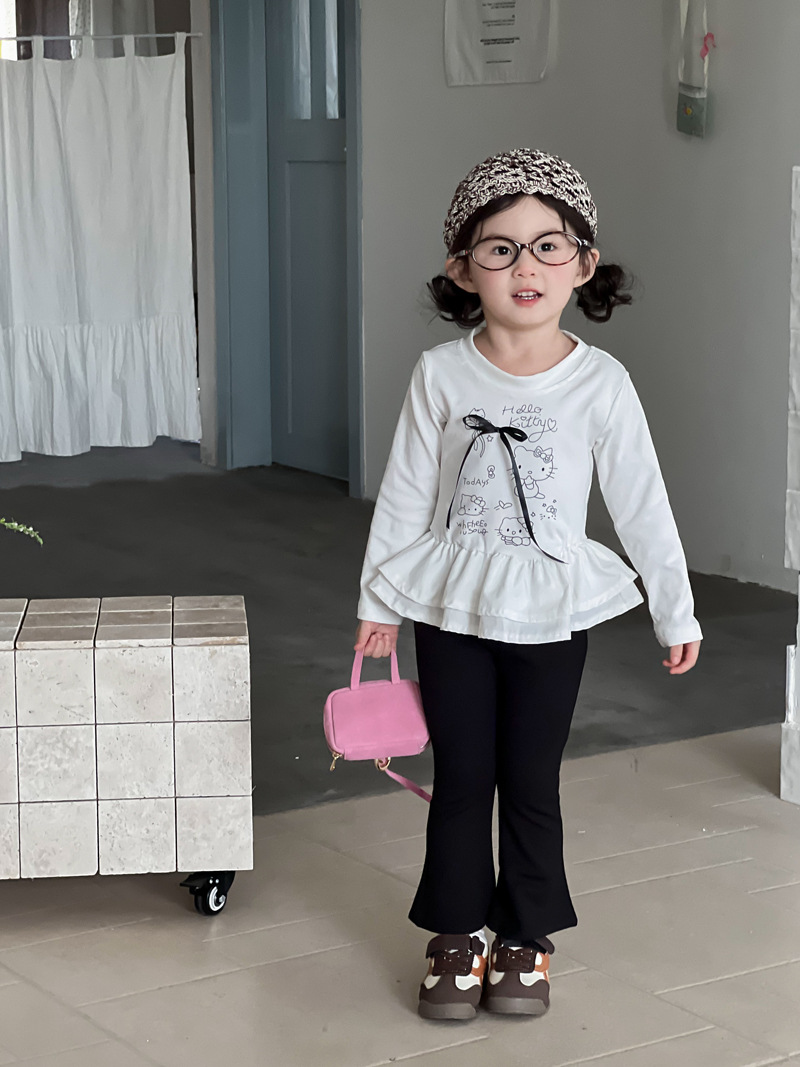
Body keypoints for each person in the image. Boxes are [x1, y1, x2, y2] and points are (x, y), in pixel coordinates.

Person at [353, 148, 702, 1022]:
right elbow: (404, 494)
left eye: (549, 246)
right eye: (500, 248)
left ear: (583, 265)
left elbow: (642, 501)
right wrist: (378, 605)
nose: (526, 266)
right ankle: (456, 933)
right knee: (463, 777)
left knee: (531, 780)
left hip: (552, 611)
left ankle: (525, 937)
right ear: (461, 268)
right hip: (452, 607)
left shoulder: (601, 382)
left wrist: (676, 609)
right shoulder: (440, 373)